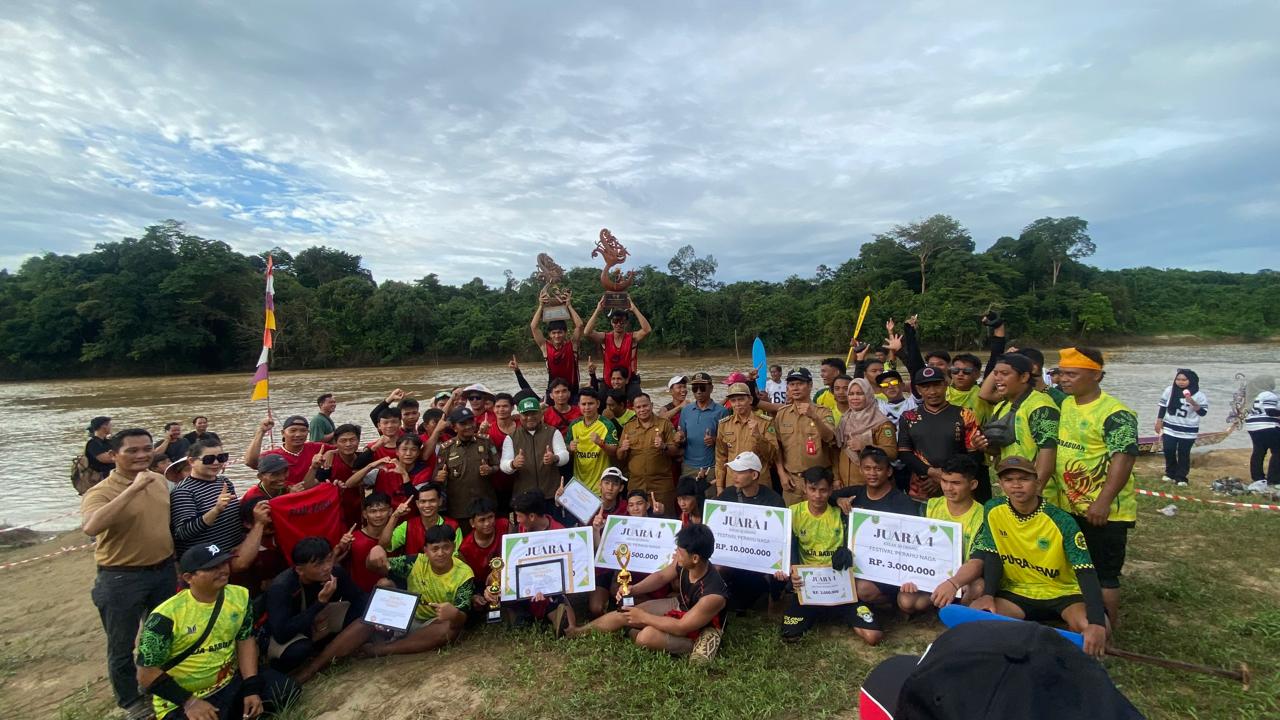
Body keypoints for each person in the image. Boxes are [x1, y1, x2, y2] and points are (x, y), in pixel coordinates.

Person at [136, 544, 299, 720]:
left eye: (224, 564)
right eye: (212, 568)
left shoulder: (240, 596)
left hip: (228, 683)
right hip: (183, 699)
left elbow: (245, 640)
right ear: (188, 577)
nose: (222, 570)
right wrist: (190, 702)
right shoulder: (165, 617)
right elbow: (145, 674)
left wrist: (251, 688)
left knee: (285, 691)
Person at [969, 456, 1109, 658]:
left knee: (1099, 628)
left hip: (1063, 593)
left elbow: (1086, 571)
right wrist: (989, 594)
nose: (1016, 486)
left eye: (1023, 479)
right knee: (976, 618)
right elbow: (992, 553)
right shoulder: (993, 509)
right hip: (1018, 591)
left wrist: (1096, 622)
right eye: (1008, 480)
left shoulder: (1062, 520)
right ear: (1000, 484)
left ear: (1037, 482)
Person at [81, 428, 175, 720]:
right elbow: (91, 527)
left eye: (146, 449)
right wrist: (133, 488)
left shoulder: (160, 480)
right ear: (113, 455)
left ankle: (158, 684)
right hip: (121, 578)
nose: (142, 455)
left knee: (159, 636)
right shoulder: (100, 492)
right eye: (132, 451)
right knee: (121, 645)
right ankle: (130, 701)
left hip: (163, 571)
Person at [1045, 346, 1138, 628]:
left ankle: (1108, 630)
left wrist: (1104, 500)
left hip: (1103, 510)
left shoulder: (1116, 414)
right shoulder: (1066, 404)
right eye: (1061, 373)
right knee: (1078, 567)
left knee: (1104, 574)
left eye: (1072, 374)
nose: (1064, 379)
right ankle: (1085, 619)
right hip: (1069, 505)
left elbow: (1124, 457)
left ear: (1097, 376)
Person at [559, 523, 727, 663]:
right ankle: (577, 632)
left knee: (645, 637)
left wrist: (643, 617)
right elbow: (661, 576)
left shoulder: (713, 595)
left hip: (699, 626)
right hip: (680, 604)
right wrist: (633, 589)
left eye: (680, 552)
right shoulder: (684, 563)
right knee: (626, 613)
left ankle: (698, 645)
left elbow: (681, 627)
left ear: (695, 558)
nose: (676, 554)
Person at [780, 467, 876, 643]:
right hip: (808, 586)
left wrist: (848, 555)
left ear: (831, 490)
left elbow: (858, 546)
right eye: (812, 489)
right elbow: (788, 551)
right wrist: (791, 572)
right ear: (805, 488)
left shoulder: (843, 513)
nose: (817, 495)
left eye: (823, 490)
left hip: (840, 585)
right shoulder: (793, 513)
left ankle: (834, 610)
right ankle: (817, 610)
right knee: (790, 634)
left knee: (873, 636)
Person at [265, 536, 367, 681]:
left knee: (365, 614)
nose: (326, 567)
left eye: (328, 559)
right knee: (299, 650)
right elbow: (281, 633)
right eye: (319, 564)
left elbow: (359, 598)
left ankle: (325, 652)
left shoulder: (334, 573)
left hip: (320, 622)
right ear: (300, 570)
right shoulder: (281, 588)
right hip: (292, 631)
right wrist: (319, 603)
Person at [363, 525, 473, 658]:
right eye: (435, 548)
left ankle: (386, 649)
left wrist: (454, 614)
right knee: (384, 584)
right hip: (408, 616)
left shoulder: (464, 574)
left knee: (449, 629)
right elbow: (374, 567)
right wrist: (375, 551)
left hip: (434, 623)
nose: (441, 553)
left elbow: (462, 619)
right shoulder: (415, 562)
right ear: (426, 550)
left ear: (454, 547)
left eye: (446, 547)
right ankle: (393, 635)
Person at [897, 455, 987, 614]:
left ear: (973, 484)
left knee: (978, 587)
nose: (948, 488)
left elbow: (977, 562)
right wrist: (910, 575)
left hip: (963, 578)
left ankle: (955, 609)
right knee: (907, 602)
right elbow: (913, 546)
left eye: (956, 483)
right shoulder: (930, 506)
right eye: (944, 481)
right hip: (931, 571)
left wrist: (956, 582)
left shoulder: (982, 516)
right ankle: (942, 602)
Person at [976, 353, 1060, 499]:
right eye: (995, 373)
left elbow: (1048, 452)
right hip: (1013, 490)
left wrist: (1035, 493)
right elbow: (998, 451)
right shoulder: (1002, 406)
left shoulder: (1041, 407)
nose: (997, 378)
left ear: (1024, 377)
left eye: (1005, 373)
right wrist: (984, 446)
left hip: (1040, 493)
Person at [897, 367, 981, 501]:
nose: (932, 392)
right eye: (926, 387)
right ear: (918, 390)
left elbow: (974, 454)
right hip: (922, 487)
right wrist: (932, 473)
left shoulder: (965, 415)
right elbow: (904, 453)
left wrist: (944, 478)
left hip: (957, 488)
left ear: (946, 385)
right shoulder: (908, 417)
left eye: (937, 385)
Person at [769, 368, 837, 505]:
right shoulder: (782, 414)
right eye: (792, 384)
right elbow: (777, 447)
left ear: (810, 385)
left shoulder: (823, 412)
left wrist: (814, 417)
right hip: (792, 481)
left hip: (819, 482)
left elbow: (830, 438)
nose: (795, 388)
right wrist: (782, 474)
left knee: (819, 521)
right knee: (791, 523)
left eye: (800, 383)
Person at [170, 440, 244, 559]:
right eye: (209, 459)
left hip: (235, 552)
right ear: (192, 461)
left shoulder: (225, 482)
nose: (216, 463)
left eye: (221, 457)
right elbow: (183, 532)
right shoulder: (183, 491)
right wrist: (216, 510)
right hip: (207, 559)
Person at [501, 395, 571, 515]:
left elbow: (565, 455)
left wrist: (555, 458)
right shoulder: (511, 437)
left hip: (550, 494)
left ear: (540, 414)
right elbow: (503, 464)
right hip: (524, 496)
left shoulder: (553, 432)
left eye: (533, 413)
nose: (530, 417)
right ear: (519, 415)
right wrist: (513, 464)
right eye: (526, 414)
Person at [437, 406, 499, 534]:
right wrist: (439, 477)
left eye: (471, 422)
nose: (468, 426)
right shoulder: (446, 448)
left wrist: (490, 469)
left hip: (485, 504)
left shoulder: (486, 441)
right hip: (460, 507)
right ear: (454, 427)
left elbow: (498, 465)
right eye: (463, 423)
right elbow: (437, 476)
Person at [617, 392, 680, 514]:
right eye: (638, 407)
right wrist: (622, 449)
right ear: (634, 409)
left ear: (651, 405)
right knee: (637, 523)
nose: (642, 410)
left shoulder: (664, 424)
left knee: (665, 520)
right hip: (636, 484)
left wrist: (664, 446)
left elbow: (675, 451)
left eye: (645, 406)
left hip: (661, 485)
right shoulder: (628, 427)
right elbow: (620, 457)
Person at [714, 382, 776, 496]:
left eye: (741, 399)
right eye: (733, 400)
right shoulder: (724, 424)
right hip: (733, 483)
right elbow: (721, 458)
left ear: (750, 400)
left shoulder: (765, 423)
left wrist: (758, 436)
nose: (737, 404)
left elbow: (773, 456)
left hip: (758, 483)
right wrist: (719, 486)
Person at [834, 378, 898, 488]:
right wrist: (836, 478)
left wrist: (866, 446)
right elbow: (836, 452)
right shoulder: (844, 420)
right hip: (844, 485)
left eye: (859, 394)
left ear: (868, 395)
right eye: (851, 394)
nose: (854, 398)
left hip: (872, 487)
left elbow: (892, 453)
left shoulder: (881, 423)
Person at [1155, 369, 1209, 487]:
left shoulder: (1199, 395)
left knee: (1183, 453)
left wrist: (1193, 402)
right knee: (1168, 449)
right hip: (1170, 426)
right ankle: (1170, 473)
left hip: (1188, 430)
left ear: (1191, 380)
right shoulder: (1170, 391)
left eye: (1184, 380)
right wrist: (1159, 421)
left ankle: (1181, 477)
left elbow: (1203, 413)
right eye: (1178, 379)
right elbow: (1163, 406)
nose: (1180, 382)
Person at [585, 297, 652, 389]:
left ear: (626, 323)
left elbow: (647, 330)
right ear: (611, 323)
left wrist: (634, 309)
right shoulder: (605, 338)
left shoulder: (632, 337)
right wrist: (598, 310)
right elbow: (587, 332)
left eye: (622, 322)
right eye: (615, 321)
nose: (618, 324)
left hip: (627, 381)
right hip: (609, 381)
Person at [244, 415, 326, 489]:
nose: (298, 434)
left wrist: (330, 453)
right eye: (293, 431)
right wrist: (261, 431)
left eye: (303, 430)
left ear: (308, 433)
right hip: (283, 498)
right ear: (283, 433)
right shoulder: (273, 456)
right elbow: (250, 462)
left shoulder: (316, 447)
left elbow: (338, 446)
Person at [458, 498, 510, 612]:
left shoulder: (505, 526)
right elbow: (466, 579)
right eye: (482, 520)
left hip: (507, 576)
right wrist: (474, 596)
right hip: (481, 585)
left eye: (490, 517)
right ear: (472, 523)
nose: (487, 523)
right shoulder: (465, 548)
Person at [384, 482, 463, 554]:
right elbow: (383, 546)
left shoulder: (453, 526)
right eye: (423, 501)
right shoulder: (408, 526)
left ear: (440, 502)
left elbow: (457, 557)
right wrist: (395, 516)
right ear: (417, 504)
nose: (427, 505)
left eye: (432, 501)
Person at [676, 372, 729, 478]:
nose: (699, 392)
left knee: (712, 495)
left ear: (711, 388)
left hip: (712, 467)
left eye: (702, 388)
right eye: (695, 388)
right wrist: (679, 438)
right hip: (689, 466)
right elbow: (682, 436)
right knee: (686, 495)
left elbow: (729, 440)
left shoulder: (722, 412)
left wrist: (714, 440)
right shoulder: (686, 410)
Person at [530, 290, 584, 392]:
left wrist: (569, 306)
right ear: (549, 335)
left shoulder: (572, 345)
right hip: (553, 391)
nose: (557, 336)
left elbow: (579, 325)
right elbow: (533, 327)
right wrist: (541, 306)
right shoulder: (545, 347)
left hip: (572, 390)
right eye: (553, 333)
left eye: (560, 332)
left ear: (565, 333)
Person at [568, 388, 619, 494]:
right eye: (584, 404)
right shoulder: (574, 425)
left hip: (600, 487)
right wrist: (569, 448)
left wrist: (601, 443)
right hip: (578, 485)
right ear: (579, 405)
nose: (587, 407)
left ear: (598, 404)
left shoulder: (607, 425)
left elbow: (614, 451)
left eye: (590, 403)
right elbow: (566, 449)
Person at [315, 423, 365, 528]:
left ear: (358, 441)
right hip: (334, 510)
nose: (348, 444)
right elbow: (318, 483)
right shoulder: (329, 460)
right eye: (343, 441)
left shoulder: (363, 459)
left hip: (358, 509)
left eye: (352, 440)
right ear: (336, 443)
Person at [346, 492, 396, 593]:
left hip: (390, 594)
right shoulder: (352, 538)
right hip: (359, 595)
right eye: (373, 511)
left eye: (382, 510)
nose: (378, 515)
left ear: (390, 511)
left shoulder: (398, 536)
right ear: (365, 514)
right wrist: (340, 547)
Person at [1244, 376, 1280, 488]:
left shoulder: (1253, 396)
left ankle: (1257, 478)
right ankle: (1274, 480)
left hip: (1253, 427)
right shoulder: (1268, 394)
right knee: (1277, 451)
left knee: (1258, 452)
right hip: (1268, 426)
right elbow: (1270, 411)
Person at [83, 415, 115, 481]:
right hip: (101, 479)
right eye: (110, 425)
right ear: (103, 426)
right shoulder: (93, 444)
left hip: (112, 475)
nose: (111, 427)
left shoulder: (108, 441)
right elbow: (106, 459)